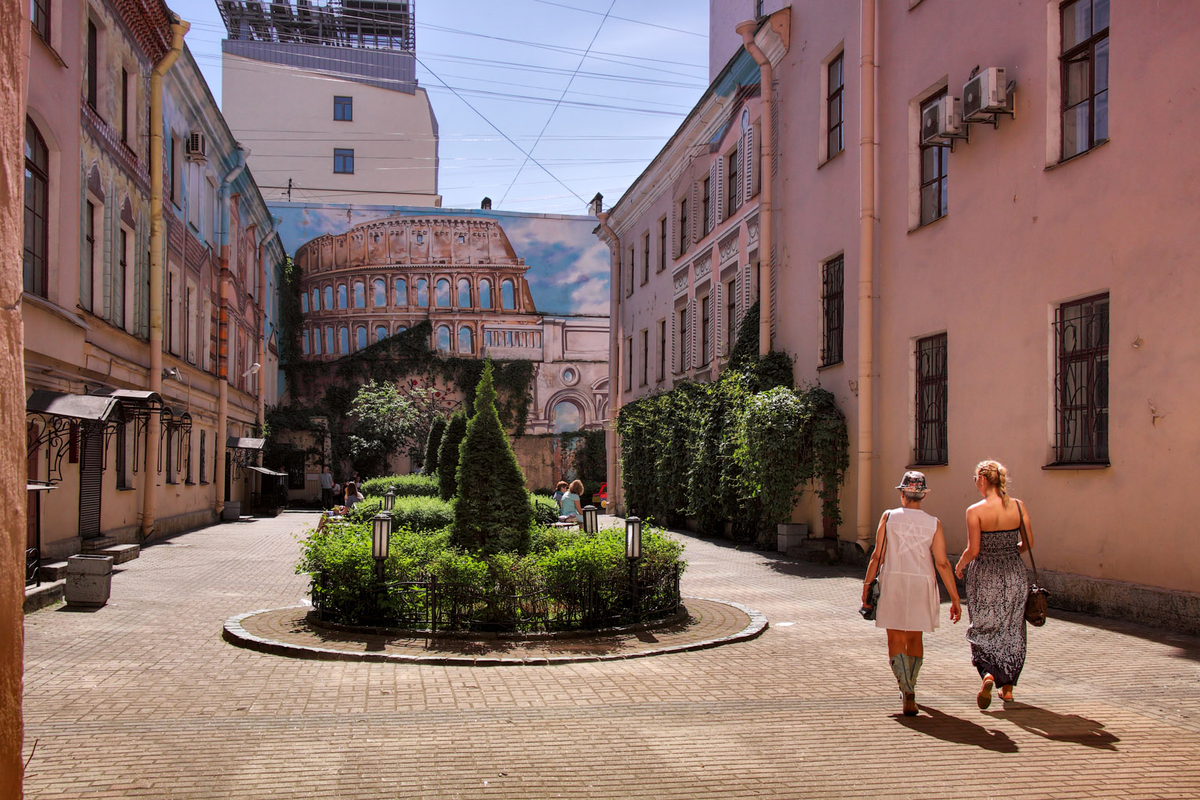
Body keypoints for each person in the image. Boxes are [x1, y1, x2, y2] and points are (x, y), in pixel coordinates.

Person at [862, 471, 962, 716]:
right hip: (922, 582)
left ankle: (905, 687)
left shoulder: (889, 517)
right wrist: (955, 598)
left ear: (902, 493)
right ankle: (912, 687)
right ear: (923, 496)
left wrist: (866, 586)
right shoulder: (934, 522)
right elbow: (942, 563)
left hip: (894, 579)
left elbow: (878, 555)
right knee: (915, 637)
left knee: (895, 635)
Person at [955, 460, 1034, 709]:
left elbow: (974, 549)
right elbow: (1028, 543)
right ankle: (1007, 689)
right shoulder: (1018, 507)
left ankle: (988, 674)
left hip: (985, 574)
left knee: (984, 625)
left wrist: (960, 564)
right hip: (1014, 573)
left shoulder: (974, 510)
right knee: (1012, 629)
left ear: (982, 479)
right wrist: (1010, 551)